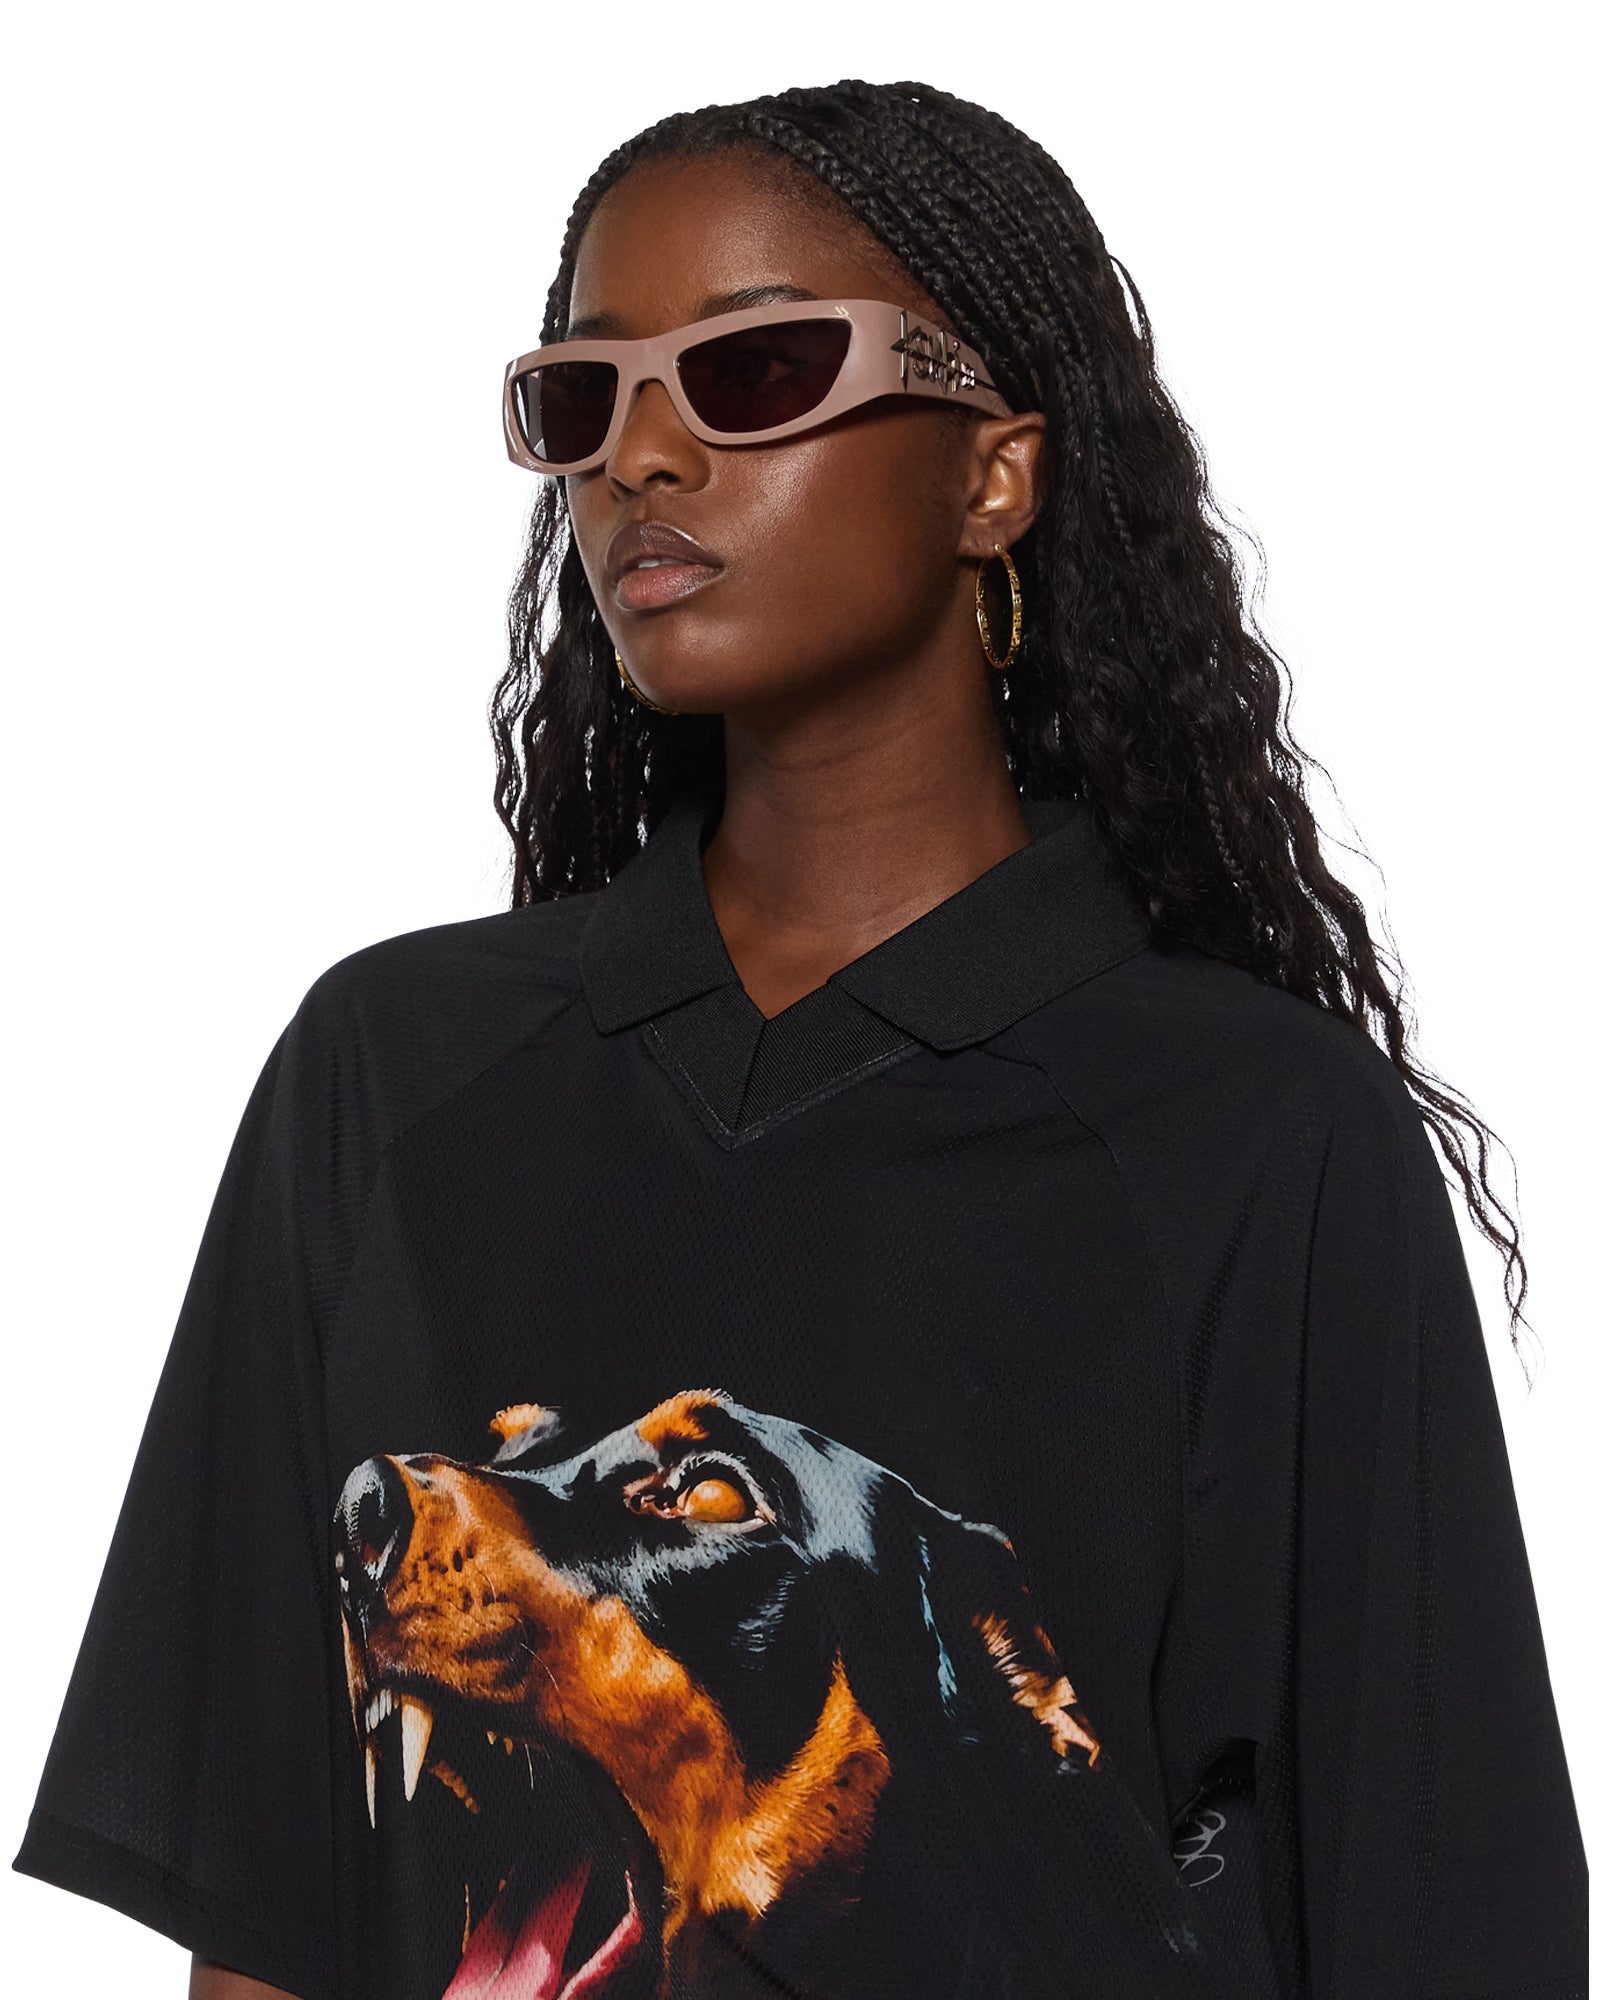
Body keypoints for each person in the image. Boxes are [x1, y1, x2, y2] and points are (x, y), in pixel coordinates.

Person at [12, 76, 1587, 2000]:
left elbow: (1438, 1909)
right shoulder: (396, 1075)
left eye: (754, 373)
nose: (640, 457)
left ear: (994, 476)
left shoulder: (1255, 1135)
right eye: (581, 399)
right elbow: (273, 1904)